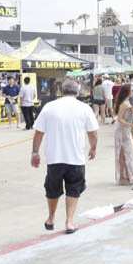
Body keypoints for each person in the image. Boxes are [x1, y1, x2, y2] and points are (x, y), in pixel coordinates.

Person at [31, 79, 99, 234]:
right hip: (75, 158)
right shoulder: (84, 108)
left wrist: (35, 152)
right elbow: (93, 133)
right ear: (77, 91)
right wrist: (93, 148)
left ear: (62, 91)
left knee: (52, 189)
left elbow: (39, 133)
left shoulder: (50, 107)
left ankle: (51, 218)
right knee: (73, 189)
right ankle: (69, 222)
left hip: (54, 158)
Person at [113, 84, 133, 187]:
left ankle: (125, 176)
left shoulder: (126, 102)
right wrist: (131, 124)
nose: (132, 91)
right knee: (124, 153)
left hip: (125, 130)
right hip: (122, 130)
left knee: (126, 153)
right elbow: (120, 118)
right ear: (127, 92)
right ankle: (123, 177)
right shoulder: (125, 103)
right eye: (131, 90)